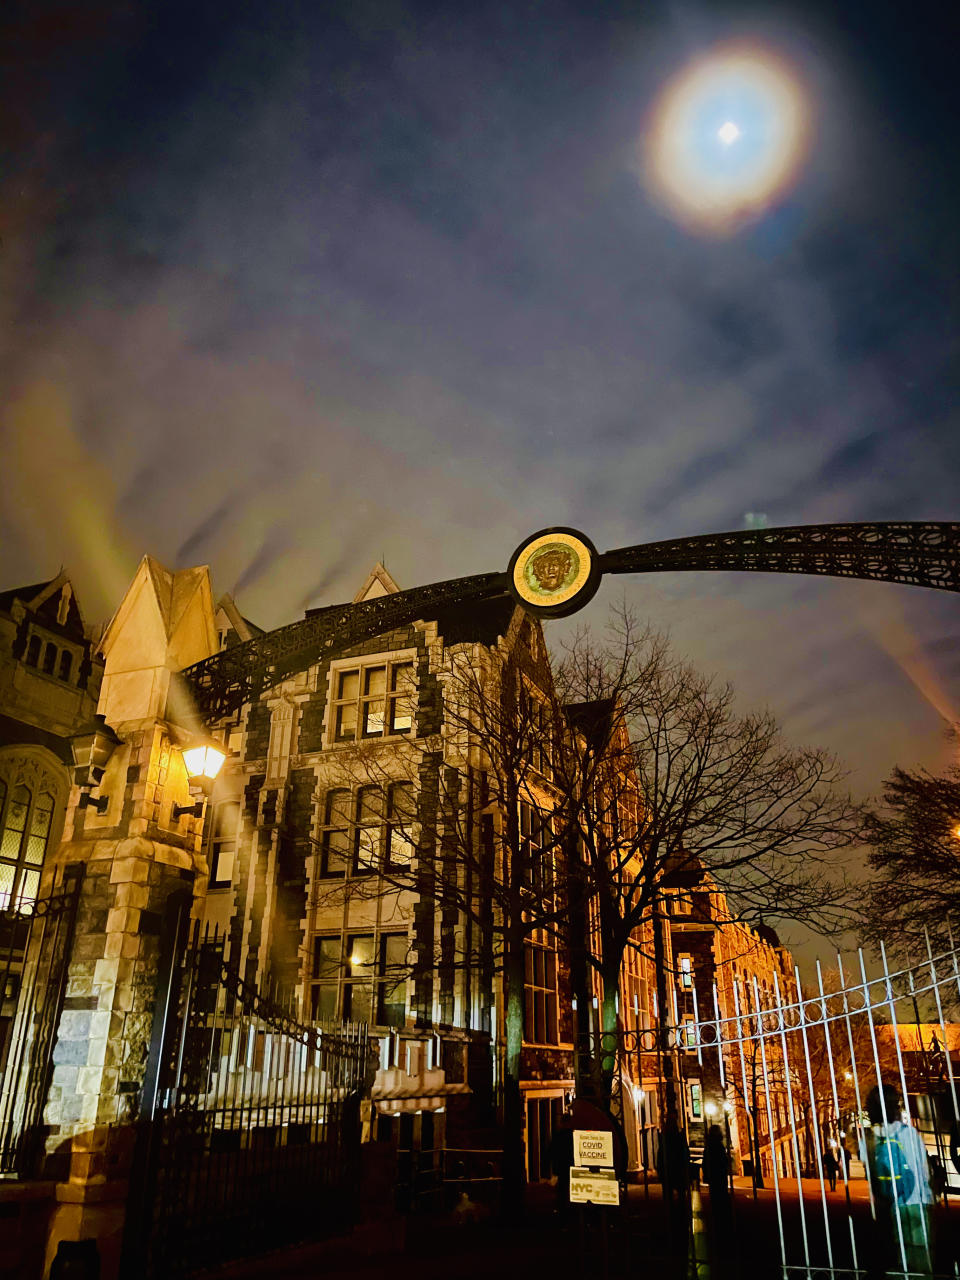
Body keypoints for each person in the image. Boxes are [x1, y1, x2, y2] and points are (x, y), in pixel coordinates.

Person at [861, 1083, 934, 1277]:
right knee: (919, 1256)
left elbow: (871, 1174)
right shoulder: (909, 1133)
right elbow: (923, 1170)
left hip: (888, 1204)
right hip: (916, 1200)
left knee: (896, 1255)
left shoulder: (867, 1139)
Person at [701, 1125, 733, 1239]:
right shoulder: (719, 1146)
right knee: (722, 1196)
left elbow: (705, 1162)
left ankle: (717, 1220)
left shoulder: (709, 1146)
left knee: (715, 1197)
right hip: (719, 1175)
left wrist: (707, 1174)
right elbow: (722, 1160)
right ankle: (723, 1223)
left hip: (714, 1176)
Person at [549, 1110, 576, 1222]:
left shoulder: (558, 1135)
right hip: (570, 1166)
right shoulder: (573, 1135)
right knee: (569, 1189)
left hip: (561, 1167)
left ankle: (562, 1212)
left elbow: (551, 1151)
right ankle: (570, 1211)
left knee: (562, 1190)